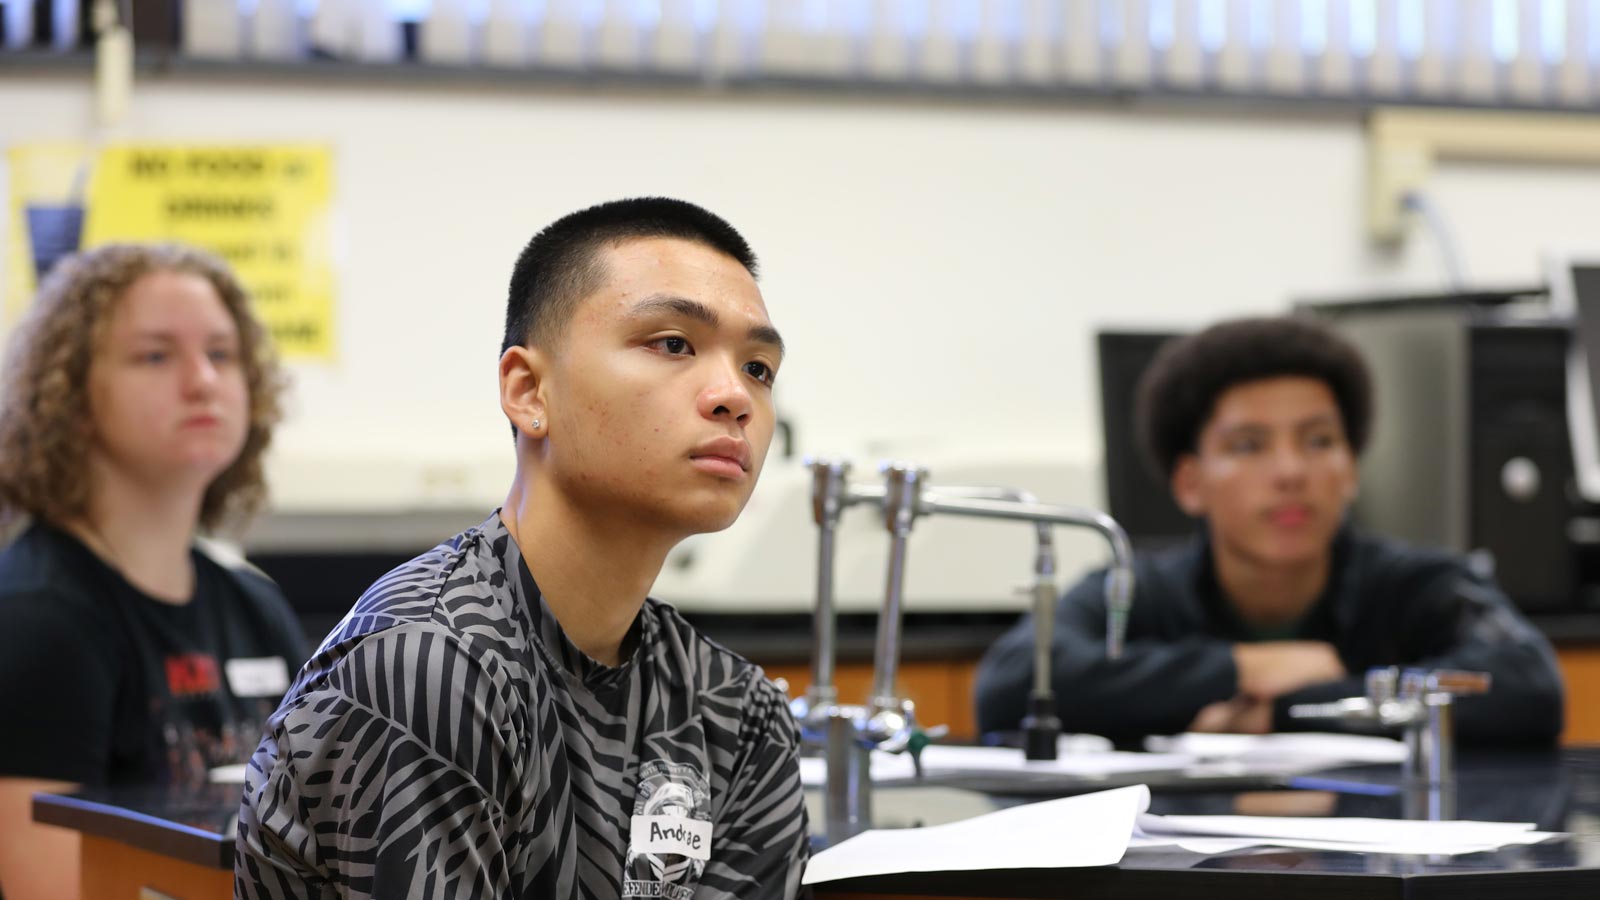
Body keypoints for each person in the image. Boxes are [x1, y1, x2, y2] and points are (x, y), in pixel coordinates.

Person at [235, 198, 809, 900]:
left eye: (758, 368)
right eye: (673, 344)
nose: (734, 397)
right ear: (528, 390)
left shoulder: (735, 710)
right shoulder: (430, 665)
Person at [974, 316, 1564, 745]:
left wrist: (1284, 709)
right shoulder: (1141, 590)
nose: (1290, 472)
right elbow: (1011, 685)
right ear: (1189, 482)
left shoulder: (1417, 584)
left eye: (1319, 441)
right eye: (1248, 446)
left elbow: (1527, 685)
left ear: (1351, 469)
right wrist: (1242, 669)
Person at [0, 243, 308, 900]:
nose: (201, 380)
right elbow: (51, 886)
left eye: (222, 354)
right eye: (156, 356)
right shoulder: (35, 620)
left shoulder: (256, 605)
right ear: (70, 395)